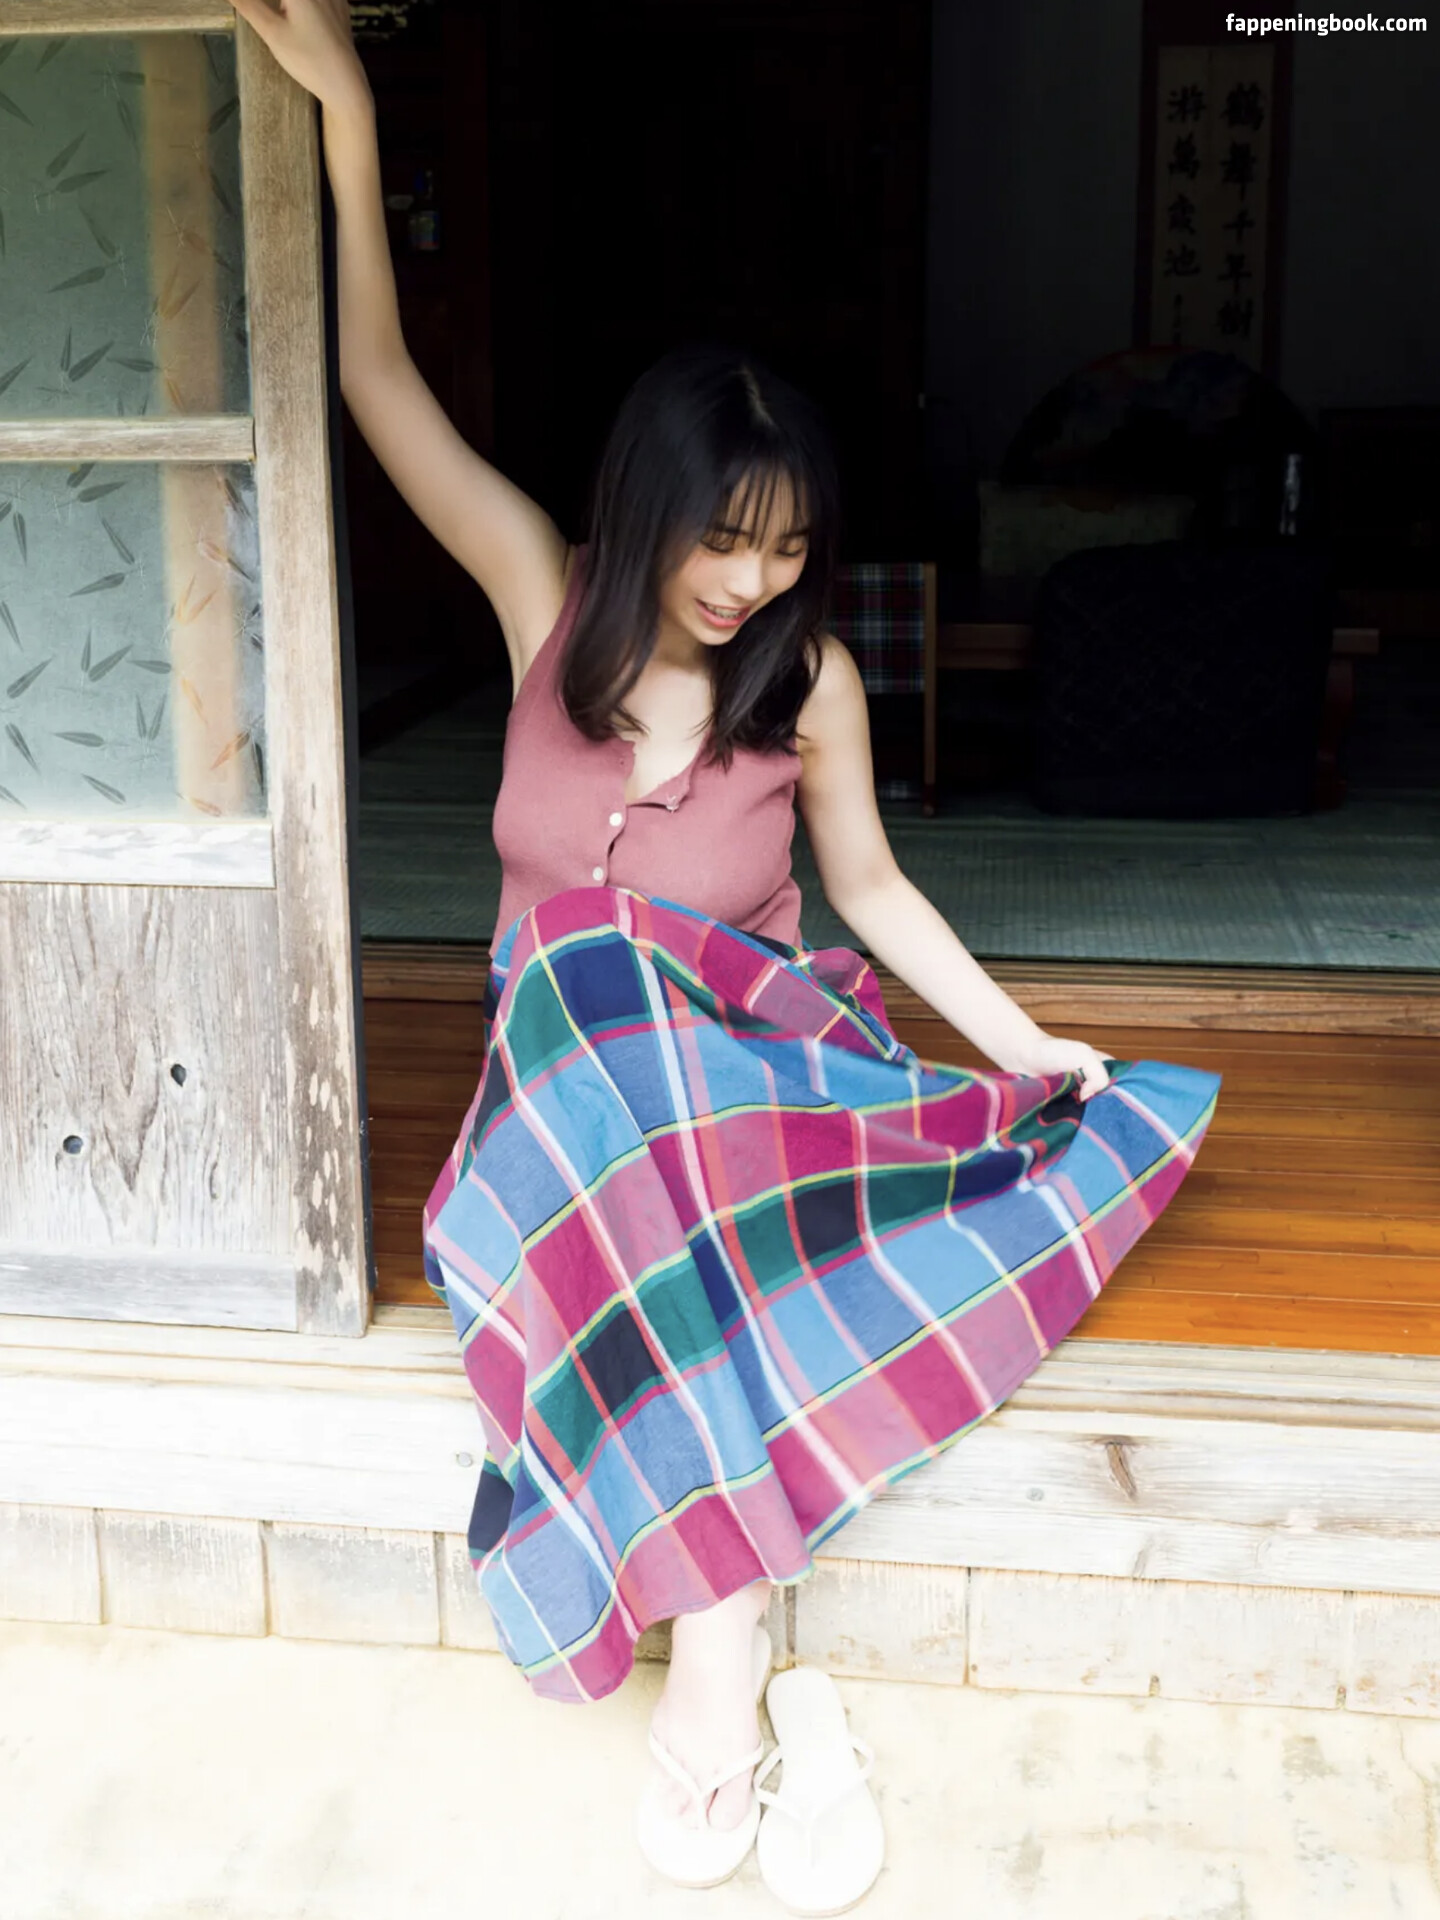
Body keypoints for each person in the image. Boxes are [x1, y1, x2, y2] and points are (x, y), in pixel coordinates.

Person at [234, 3, 1221, 1906]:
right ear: (648, 507)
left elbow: (877, 894)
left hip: (757, 1075)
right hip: (571, 1097)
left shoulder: (809, 682)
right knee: (577, 980)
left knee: (616, 998)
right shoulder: (542, 599)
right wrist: (352, 114)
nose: (751, 580)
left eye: (783, 547)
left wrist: (1028, 1049)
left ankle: (719, 1649)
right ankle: (740, 1632)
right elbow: (373, 381)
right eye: (723, 538)